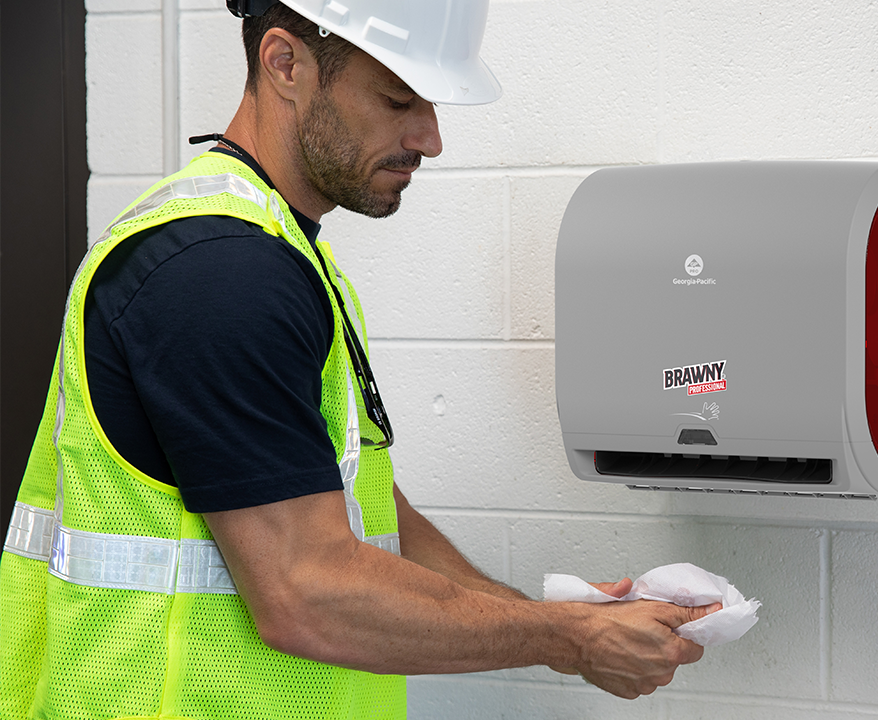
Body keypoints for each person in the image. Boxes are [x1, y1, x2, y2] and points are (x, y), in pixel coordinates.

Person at [0, 1, 716, 717]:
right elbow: (305, 591)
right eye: (398, 98)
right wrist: (568, 639)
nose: (430, 137)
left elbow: (371, 520)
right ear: (285, 63)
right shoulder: (219, 275)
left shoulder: (284, 255)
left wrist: (569, 622)